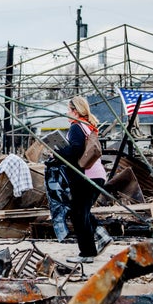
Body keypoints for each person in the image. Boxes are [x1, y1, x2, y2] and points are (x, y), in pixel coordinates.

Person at [54, 95, 108, 263]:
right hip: (96, 175)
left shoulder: (77, 127)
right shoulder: (88, 126)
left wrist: (56, 153)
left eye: (69, 109)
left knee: (78, 214)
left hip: (86, 176)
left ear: (75, 111)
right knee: (82, 212)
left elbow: (76, 150)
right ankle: (101, 236)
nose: (67, 112)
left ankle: (87, 254)